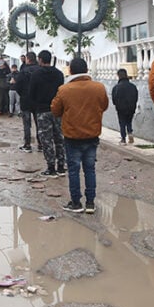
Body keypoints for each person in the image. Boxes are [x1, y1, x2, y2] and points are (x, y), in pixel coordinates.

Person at [51, 57, 109, 214]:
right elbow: (104, 106)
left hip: (72, 136)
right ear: (86, 69)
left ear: (70, 71)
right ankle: (90, 203)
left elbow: (55, 111)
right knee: (90, 169)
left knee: (74, 170)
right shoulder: (99, 87)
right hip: (92, 135)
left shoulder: (64, 90)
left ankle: (76, 203)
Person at [29, 50, 65, 177]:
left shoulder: (36, 75)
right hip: (57, 110)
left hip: (42, 110)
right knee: (59, 138)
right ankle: (61, 166)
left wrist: (35, 104)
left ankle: (51, 167)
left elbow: (31, 93)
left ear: (40, 60)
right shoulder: (59, 74)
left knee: (46, 139)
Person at [15, 51, 41, 152]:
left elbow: (18, 86)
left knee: (26, 124)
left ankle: (27, 144)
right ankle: (41, 144)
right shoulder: (40, 71)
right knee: (39, 123)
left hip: (26, 100)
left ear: (28, 59)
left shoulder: (23, 71)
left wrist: (23, 94)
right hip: (38, 100)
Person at [112, 68, 139, 145]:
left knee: (122, 123)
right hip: (131, 108)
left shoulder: (116, 87)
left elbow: (114, 100)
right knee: (129, 121)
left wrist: (117, 104)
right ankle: (130, 133)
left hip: (120, 108)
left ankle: (123, 139)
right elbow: (136, 97)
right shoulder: (133, 86)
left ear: (118, 76)